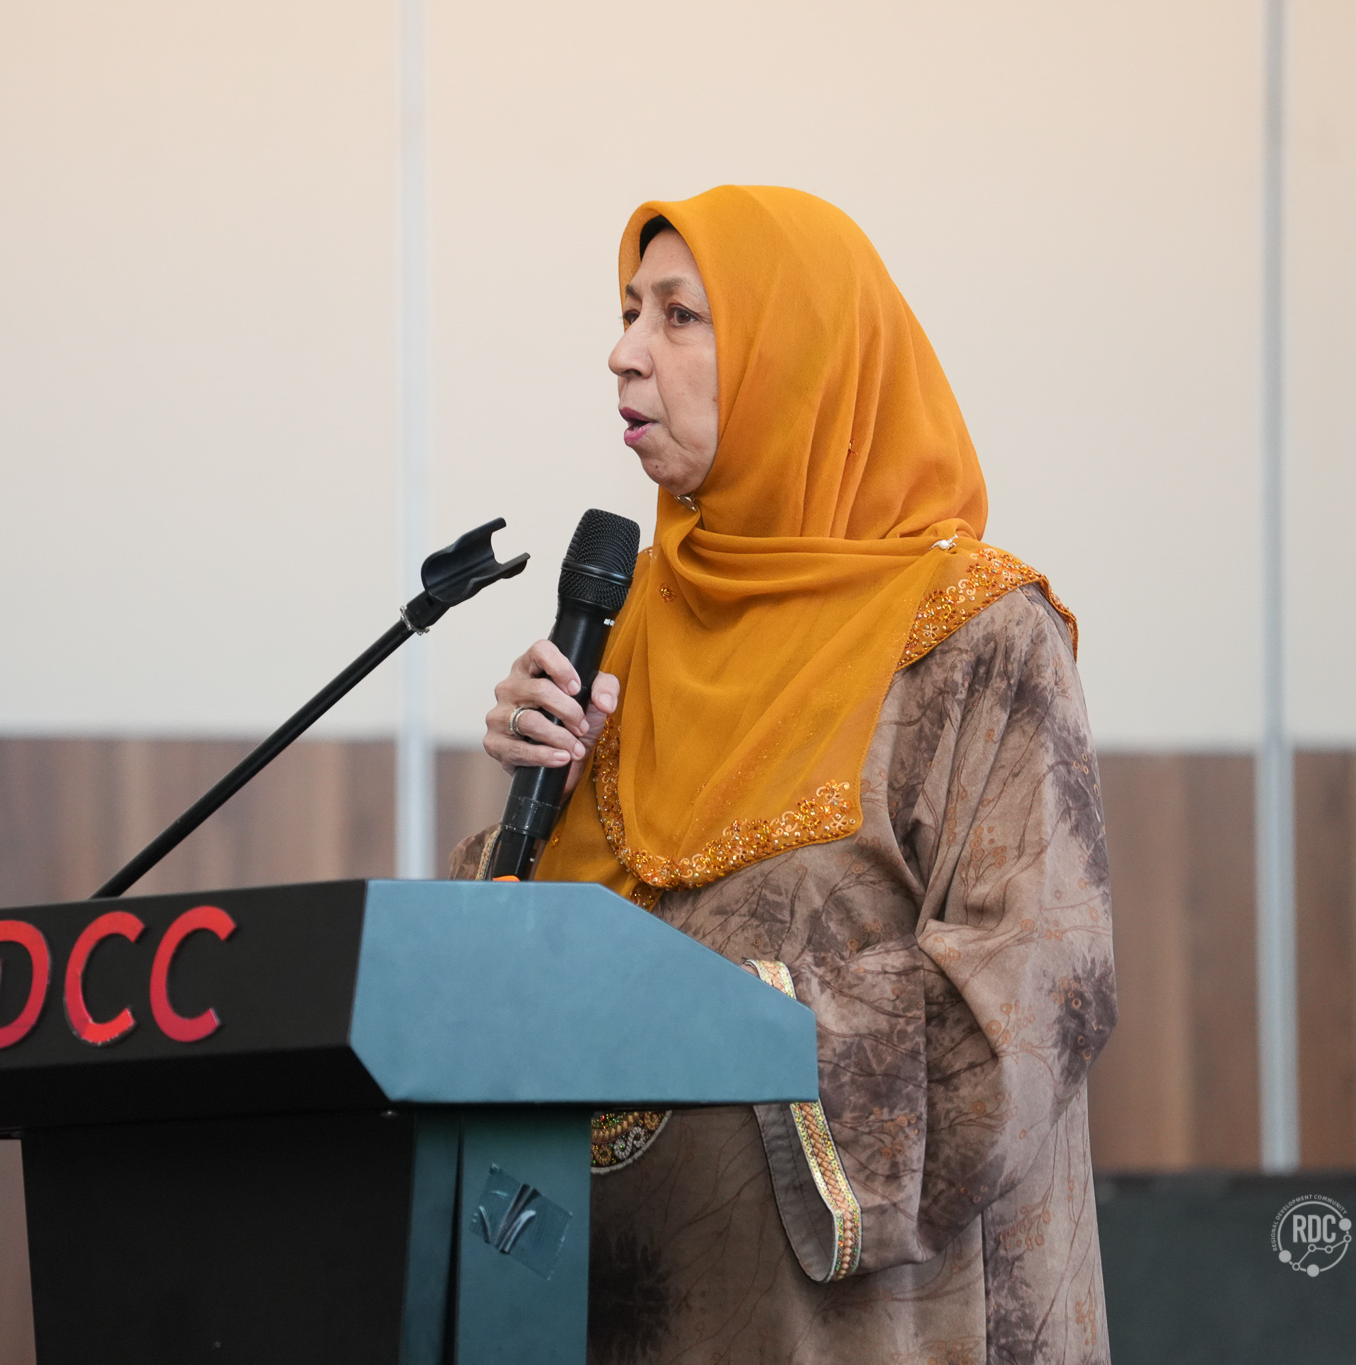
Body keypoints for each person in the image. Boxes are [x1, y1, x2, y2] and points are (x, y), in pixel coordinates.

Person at [453, 185, 1116, 1365]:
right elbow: (517, 987)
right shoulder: (623, 632)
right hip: (600, 1304)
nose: (622, 353)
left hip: (854, 1327)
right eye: (626, 311)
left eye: (677, 316)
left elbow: (1030, 994)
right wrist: (530, 816)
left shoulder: (973, 639)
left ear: (796, 360)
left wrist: (714, 1012)